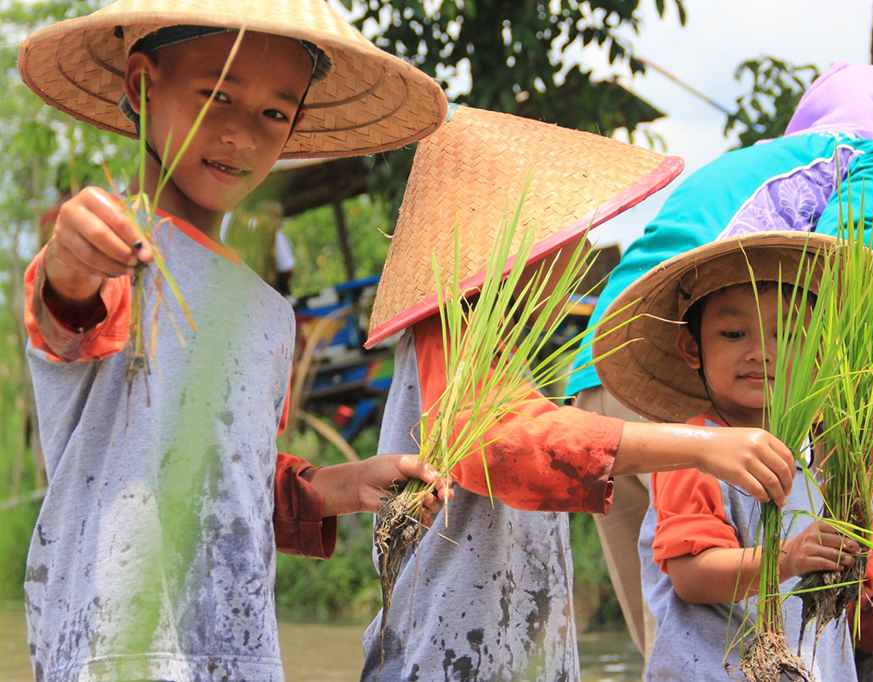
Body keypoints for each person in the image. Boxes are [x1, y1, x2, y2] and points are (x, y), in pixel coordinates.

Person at [18, 1, 451, 680]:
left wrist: (341, 485)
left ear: (296, 125)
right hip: (120, 646)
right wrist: (72, 257)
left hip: (234, 650)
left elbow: (234, 477)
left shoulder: (267, 314)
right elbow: (66, 311)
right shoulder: (118, 248)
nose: (241, 135)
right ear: (141, 85)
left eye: (273, 113)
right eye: (215, 94)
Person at [567, 61, 873, 658]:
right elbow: (864, 261)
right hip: (702, 398)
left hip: (603, 387)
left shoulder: (760, 160)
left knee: (675, 634)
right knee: (719, 610)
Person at [357, 104, 799, 682]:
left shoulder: (502, 356)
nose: (578, 254)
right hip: (444, 658)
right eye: (563, 234)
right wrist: (698, 446)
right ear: (509, 244)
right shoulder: (447, 334)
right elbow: (506, 444)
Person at [587, 233, 858, 680]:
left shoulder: (820, 448)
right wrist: (789, 558)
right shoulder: (695, 451)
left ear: (818, 349)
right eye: (733, 334)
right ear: (692, 348)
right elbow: (692, 576)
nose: (760, 351)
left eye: (787, 333)